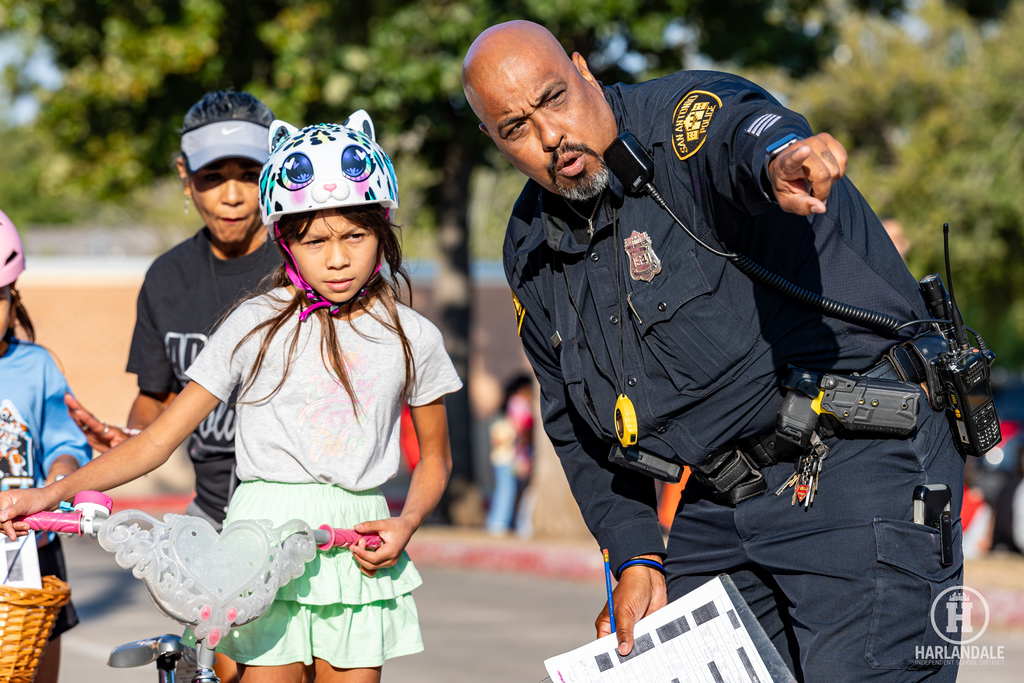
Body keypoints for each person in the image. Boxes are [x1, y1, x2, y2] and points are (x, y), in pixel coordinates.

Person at [462, 21, 965, 682]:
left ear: (583, 69)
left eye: (554, 98)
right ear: (494, 141)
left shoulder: (680, 123)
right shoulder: (531, 248)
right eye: (516, 127)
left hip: (854, 460)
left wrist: (781, 159)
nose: (551, 135)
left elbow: (743, 133)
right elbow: (570, 421)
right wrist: (635, 552)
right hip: (717, 499)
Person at [0, 111, 462, 683]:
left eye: (355, 236)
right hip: (258, 545)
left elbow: (436, 456)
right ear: (286, 242)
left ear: (383, 232)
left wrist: (408, 520)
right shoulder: (251, 324)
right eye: (315, 240)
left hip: (358, 547)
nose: (337, 258)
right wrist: (53, 493)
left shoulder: (413, 335)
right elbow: (159, 440)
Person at [65, 90, 281, 533]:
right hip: (212, 517)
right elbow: (156, 399)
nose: (233, 195)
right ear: (185, 176)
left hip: (293, 518)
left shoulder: (302, 266)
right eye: (213, 176)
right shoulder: (166, 278)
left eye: (249, 173)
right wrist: (132, 441)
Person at [0, 210, 91, 683]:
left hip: (32, 548)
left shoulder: (36, 366)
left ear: (14, 297)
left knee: (33, 671)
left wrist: (60, 476)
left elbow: (65, 442)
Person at [485, 374, 535, 536]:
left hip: (505, 457)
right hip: (510, 457)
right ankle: (498, 524)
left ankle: (503, 523)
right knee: (508, 490)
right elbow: (521, 427)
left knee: (508, 490)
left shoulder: (507, 407)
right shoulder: (519, 403)